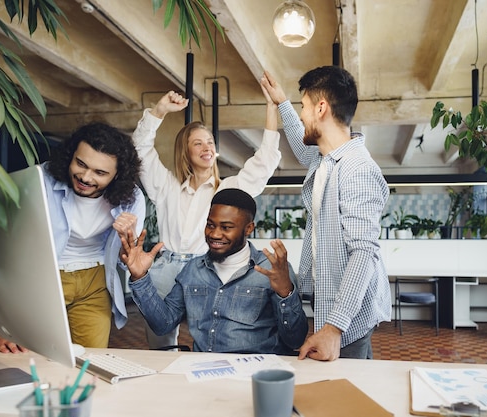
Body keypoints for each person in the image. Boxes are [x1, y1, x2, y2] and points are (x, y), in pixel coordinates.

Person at [130, 83, 281, 349]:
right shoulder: (166, 187)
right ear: (185, 151)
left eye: (210, 142)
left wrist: (271, 107)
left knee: (216, 339)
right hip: (166, 270)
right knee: (160, 342)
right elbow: (140, 149)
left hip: (208, 269)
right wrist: (160, 110)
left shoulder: (229, 189)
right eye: (197, 143)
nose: (206, 147)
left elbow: (266, 159)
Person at [260, 67, 391, 361]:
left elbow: (364, 252)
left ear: (321, 108)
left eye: (303, 107)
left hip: (349, 318)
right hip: (333, 303)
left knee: (345, 399)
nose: (303, 115)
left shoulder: (357, 168)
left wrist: (334, 327)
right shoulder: (326, 160)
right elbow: (300, 141)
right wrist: (282, 103)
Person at [0, 122, 145, 352]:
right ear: (70, 155)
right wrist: (6, 320)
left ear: (117, 176)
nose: (85, 177)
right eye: (80, 164)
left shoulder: (131, 199)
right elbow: (9, 248)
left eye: (100, 173)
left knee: (91, 359)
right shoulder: (40, 180)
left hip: (95, 281)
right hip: (45, 277)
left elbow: (127, 262)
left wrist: (127, 242)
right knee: (28, 354)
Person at [120, 188, 308, 354]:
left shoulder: (272, 271)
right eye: (211, 225)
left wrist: (285, 293)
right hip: (203, 373)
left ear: (248, 228)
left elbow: (295, 340)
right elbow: (163, 324)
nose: (215, 234)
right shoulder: (193, 270)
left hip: (255, 375)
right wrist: (140, 276)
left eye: (226, 227)